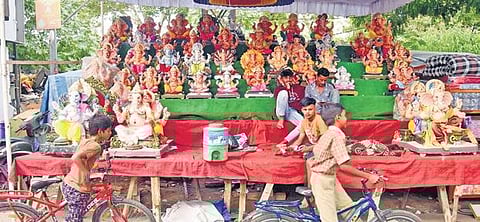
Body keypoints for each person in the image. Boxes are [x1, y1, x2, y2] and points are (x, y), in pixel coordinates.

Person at [308, 103, 380, 222]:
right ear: (338, 118)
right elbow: (344, 166)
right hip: (323, 181)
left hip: (328, 178)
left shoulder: (328, 133)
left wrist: (361, 170)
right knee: (330, 219)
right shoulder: (336, 136)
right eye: (344, 115)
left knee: (350, 211)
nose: (346, 118)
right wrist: (369, 176)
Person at [62, 114, 113, 222]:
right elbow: (76, 157)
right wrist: (86, 173)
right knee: (75, 219)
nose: (110, 133)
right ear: (100, 132)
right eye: (108, 131)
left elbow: (84, 159)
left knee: (76, 215)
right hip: (76, 186)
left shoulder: (86, 141)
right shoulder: (95, 146)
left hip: (70, 183)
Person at [274, 68, 305, 144]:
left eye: (290, 77)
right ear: (281, 79)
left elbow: (301, 102)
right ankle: (281, 119)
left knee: (303, 124)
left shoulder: (299, 88)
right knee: (283, 93)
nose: (288, 80)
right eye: (285, 78)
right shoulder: (279, 89)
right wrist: (286, 88)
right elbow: (281, 102)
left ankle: (285, 141)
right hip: (282, 111)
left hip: (292, 112)